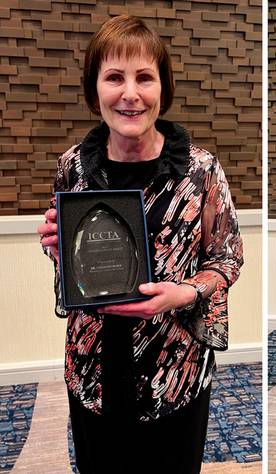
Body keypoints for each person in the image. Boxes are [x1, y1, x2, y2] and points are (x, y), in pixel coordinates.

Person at [35, 15, 243, 473]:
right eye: (114, 77)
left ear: (162, 90)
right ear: (94, 91)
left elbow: (227, 258)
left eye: (144, 77)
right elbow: (72, 262)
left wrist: (184, 293)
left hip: (174, 368)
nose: (130, 93)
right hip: (94, 368)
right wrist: (57, 248)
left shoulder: (200, 170)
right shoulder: (74, 167)